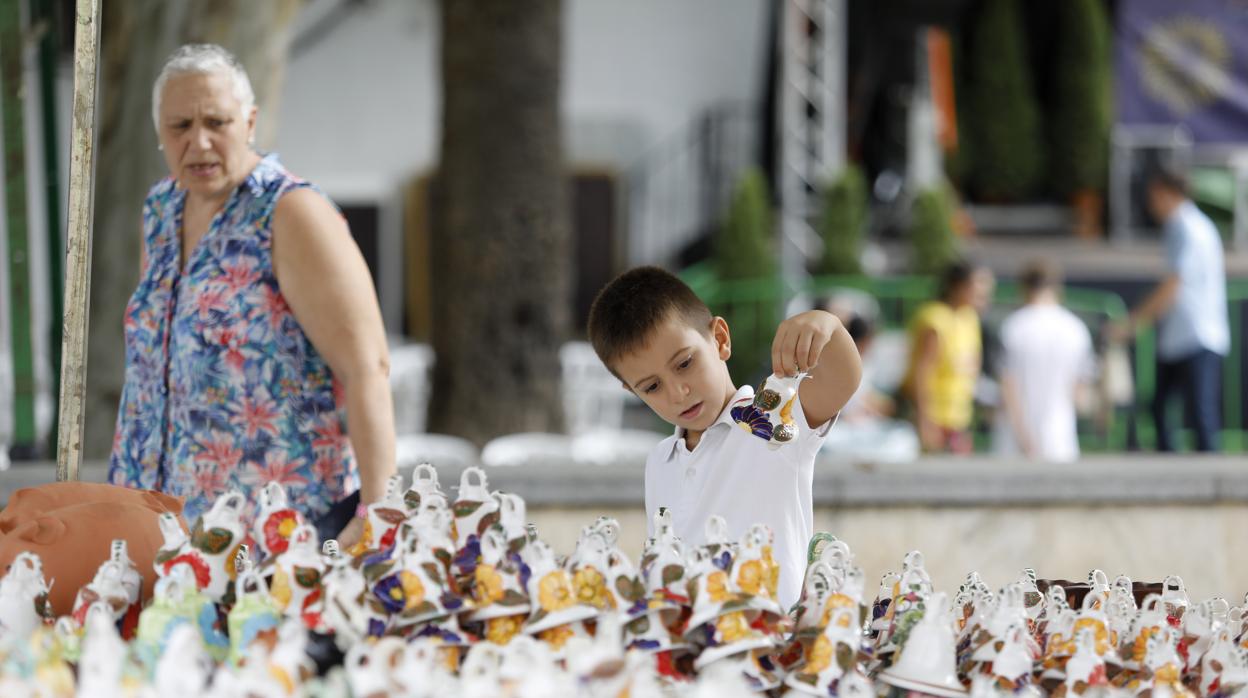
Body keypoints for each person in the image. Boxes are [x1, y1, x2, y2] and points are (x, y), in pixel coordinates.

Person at [107, 44, 395, 548]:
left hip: (274, 531)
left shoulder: (291, 211)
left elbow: (368, 366)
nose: (198, 142)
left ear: (250, 122)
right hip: (161, 523)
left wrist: (374, 515)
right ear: (159, 132)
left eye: (216, 121)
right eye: (179, 126)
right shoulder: (159, 210)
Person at [586, 266, 861, 608]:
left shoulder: (770, 418)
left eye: (684, 363)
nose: (678, 391)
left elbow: (841, 382)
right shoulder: (659, 461)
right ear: (632, 390)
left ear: (719, 339)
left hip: (769, 647)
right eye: (652, 387)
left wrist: (827, 325)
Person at [1114, 165, 1229, 452]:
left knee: (1195, 412)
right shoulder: (1188, 225)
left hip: (1196, 333)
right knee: (1164, 407)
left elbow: (1173, 283)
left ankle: (1206, 480)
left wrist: (1134, 323)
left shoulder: (1186, 226)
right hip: (1186, 334)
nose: (1151, 204)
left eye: (1154, 196)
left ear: (1167, 194)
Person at [994, 260, 1095, 462]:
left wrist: (1023, 435)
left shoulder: (1012, 327)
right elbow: (1081, 394)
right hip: (1060, 439)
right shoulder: (1076, 329)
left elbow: (1007, 386)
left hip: (1013, 442)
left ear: (1023, 287)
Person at [901, 261, 995, 454]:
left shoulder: (969, 318)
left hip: (959, 419)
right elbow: (922, 373)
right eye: (979, 285)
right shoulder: (935, 319)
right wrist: (925, 421)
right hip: (934, 419)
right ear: (958, 285)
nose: (985, 293)